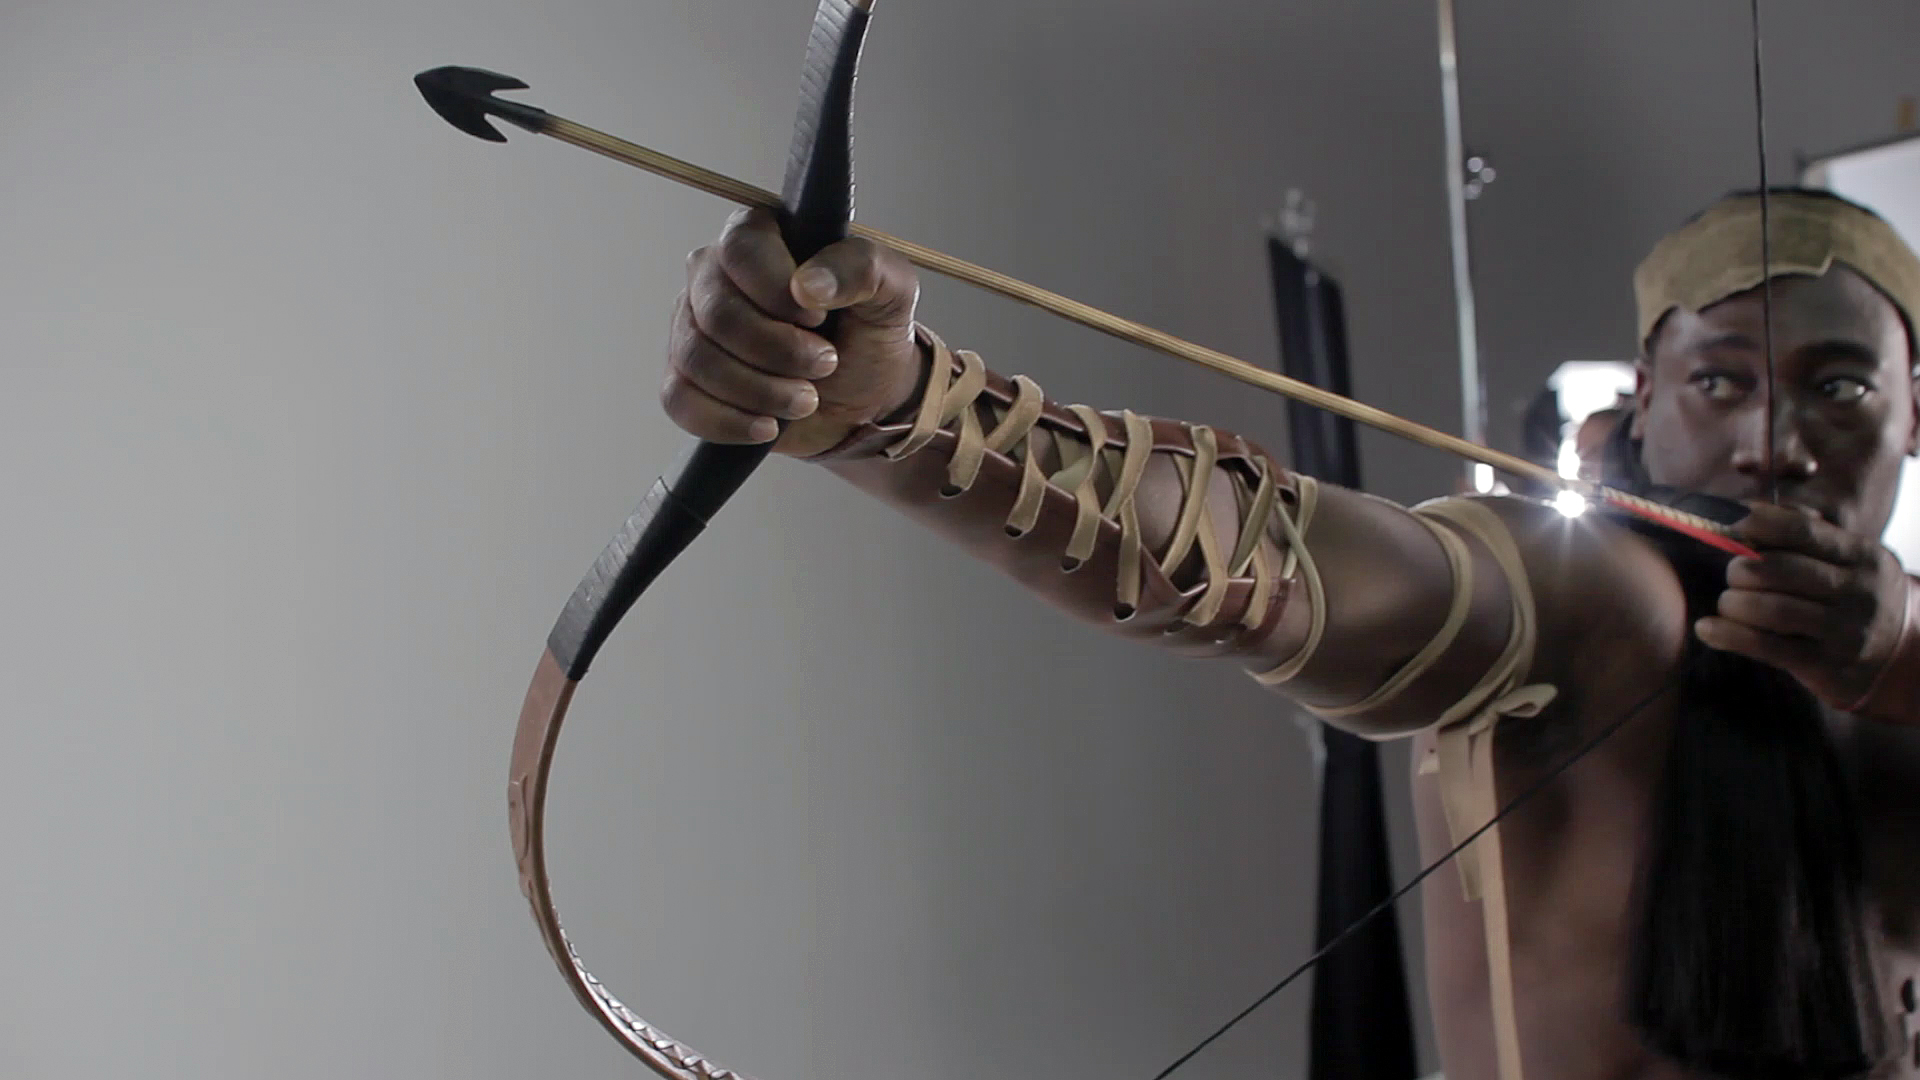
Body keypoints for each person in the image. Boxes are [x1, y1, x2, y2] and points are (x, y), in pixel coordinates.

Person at [658, 187, 1920, 1080]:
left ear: (1913, 412)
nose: (1773, 442)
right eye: (1720, 380)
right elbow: (1270, 562)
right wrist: (902, 409)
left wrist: (1899, 653)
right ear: (1646, 402)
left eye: (1840, 386)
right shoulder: (1596, 597)